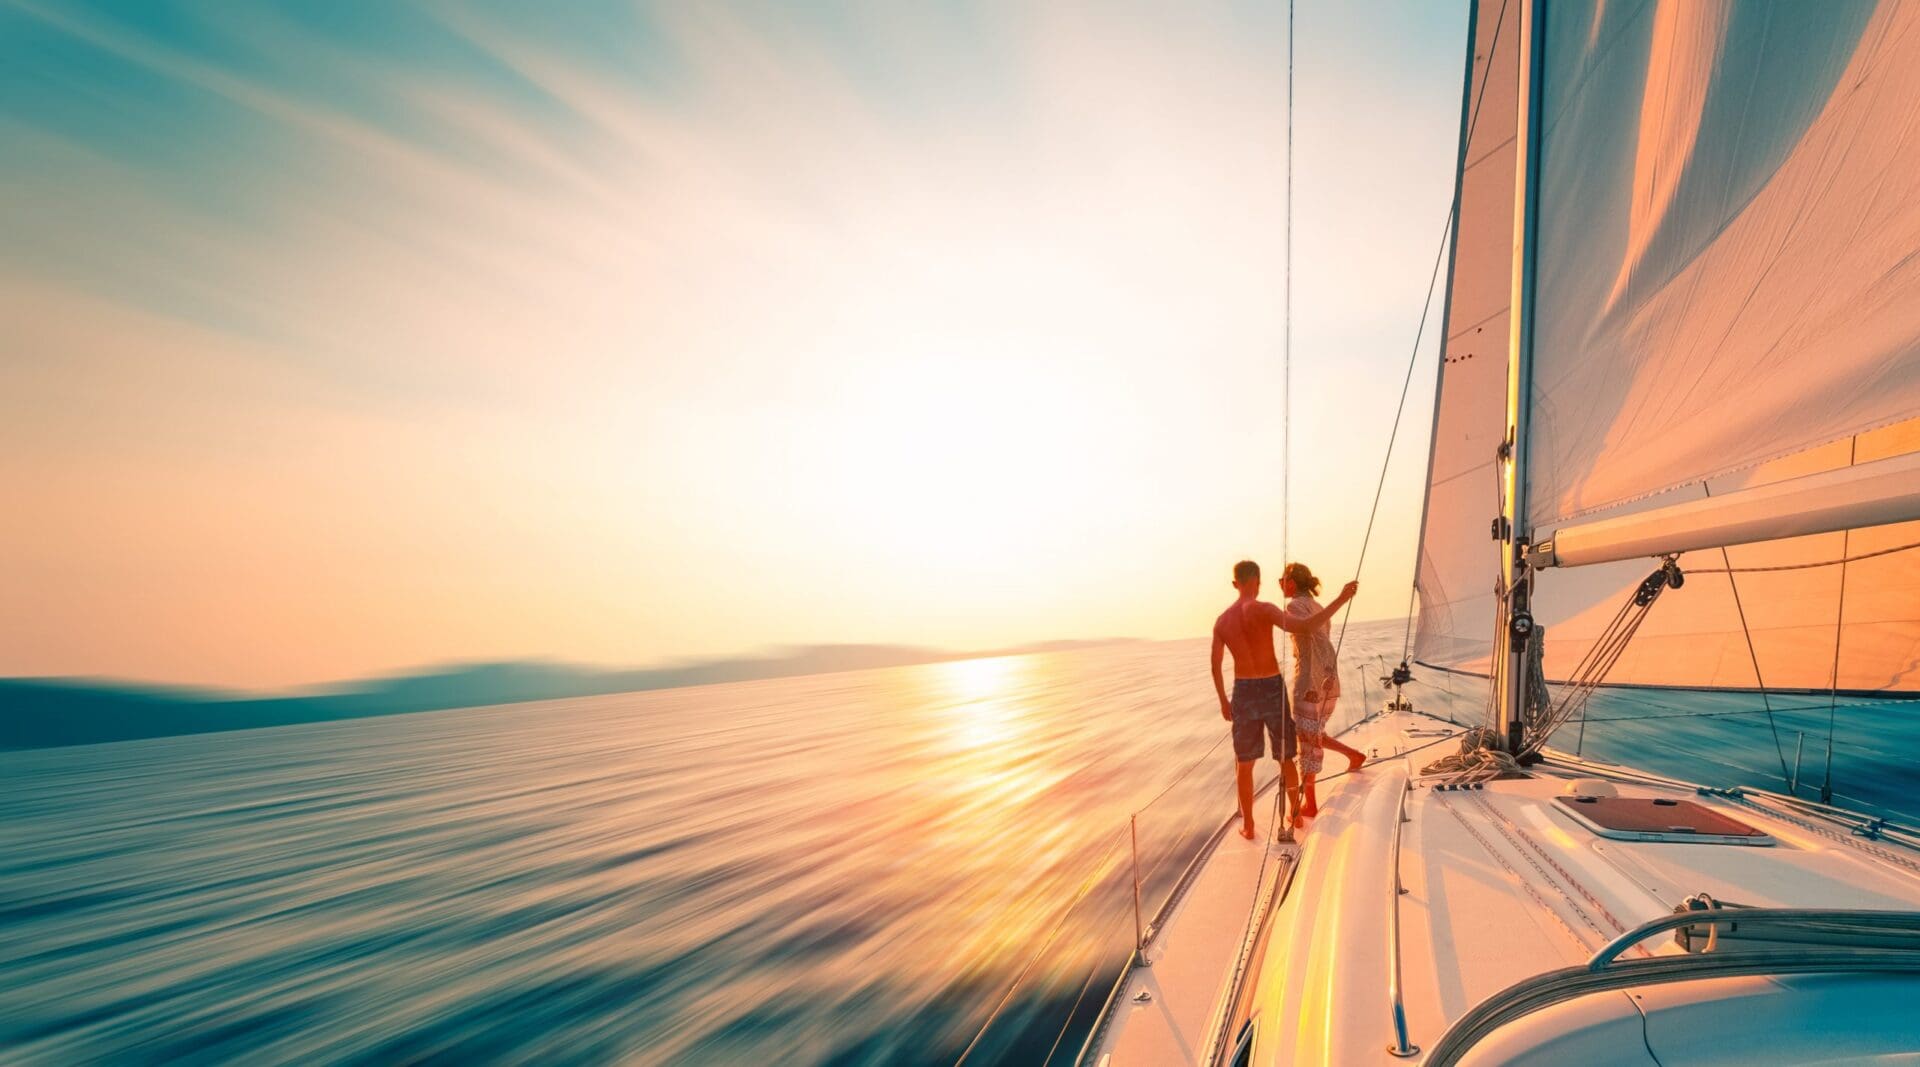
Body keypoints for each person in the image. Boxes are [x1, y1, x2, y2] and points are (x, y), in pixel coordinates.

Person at [1211, 560, 1358, 839]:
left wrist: (1223, 701)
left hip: (1246, 690)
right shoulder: (1266, 609)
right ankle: (1296, 815)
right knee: (1286, 756)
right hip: (1276, 686)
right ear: (1258, 580)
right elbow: (1306, 628)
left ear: (1235, 584)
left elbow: (1215, 665)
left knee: (1245, 762)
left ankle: (1249, 825)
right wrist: (1340, 599)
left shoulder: (1222, 621)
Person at [1281, 561, 1368, 820]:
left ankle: (1310, 805)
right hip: (1328, 680)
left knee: (1306, 743)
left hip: (1309, 682)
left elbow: (1306, 627)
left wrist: (1342, 598)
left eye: (1281, 580)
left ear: (1292, 582)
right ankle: (1355, 755)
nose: (1280, 585)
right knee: (1314, 733)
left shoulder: (1295, 605)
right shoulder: (1316, 605)